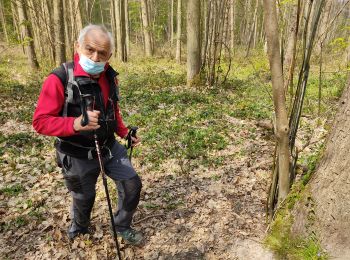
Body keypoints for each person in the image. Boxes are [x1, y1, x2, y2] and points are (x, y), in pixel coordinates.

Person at [32, 24, 143, 245]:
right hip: (76, 153)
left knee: (132, 184)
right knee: (84, 197)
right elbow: (40, 122)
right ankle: (80, 229)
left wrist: (123, 132)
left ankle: (121, 226)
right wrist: (74, 124)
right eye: (90, 49)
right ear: (78, 46)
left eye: (102, 53)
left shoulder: (109, 76)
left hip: (108, 146)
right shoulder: (60, 78)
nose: (95, 56)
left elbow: (113, 109)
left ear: (109, 55)